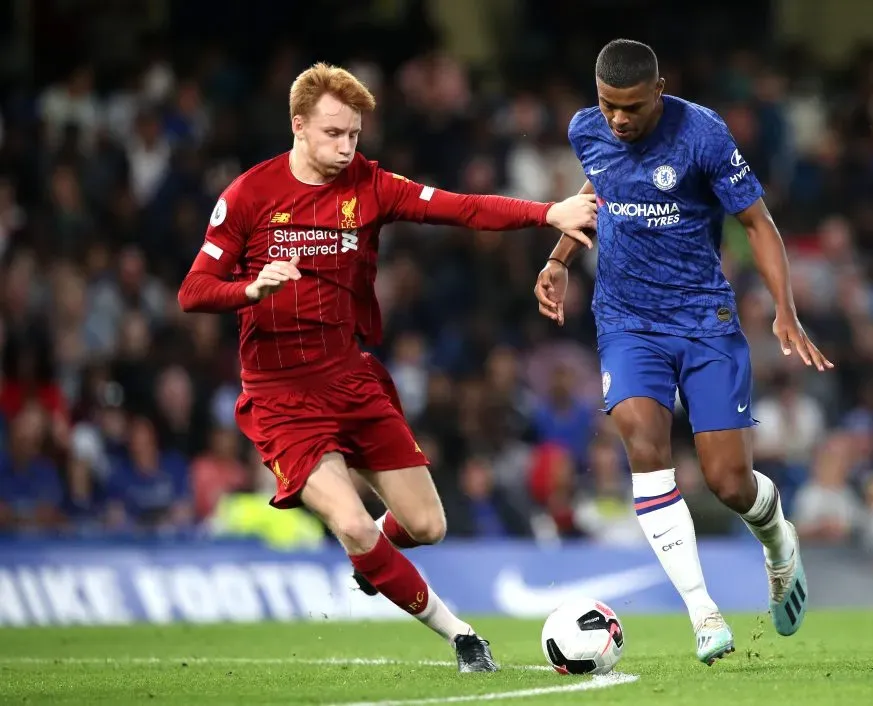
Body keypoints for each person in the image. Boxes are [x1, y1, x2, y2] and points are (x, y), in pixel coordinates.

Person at [178, 62, 597, 672]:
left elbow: (462, 208)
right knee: (349, 520)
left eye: (354, 135)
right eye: (333, 133)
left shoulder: (368, 186)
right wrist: (248, 289)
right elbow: (193, 291)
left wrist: (546, 215)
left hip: (351, 379)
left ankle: (371, 553)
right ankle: (461, 636)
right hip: (280, 396)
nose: (347, 147)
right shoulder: (249, 195)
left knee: (427, 525)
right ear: (298, 126)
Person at [534, 39, 832, 665]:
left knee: (728, 483)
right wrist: (560, 258)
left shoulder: (703, 134)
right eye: (608, 105)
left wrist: (785, 310)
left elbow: (757, 223)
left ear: (659, 90)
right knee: (644, 445)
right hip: (626, 323)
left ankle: (779, 543)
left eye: (632, 107)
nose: (618, 119)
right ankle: (702, 612)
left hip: (704, 321)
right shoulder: (586, 130)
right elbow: (602, 187)